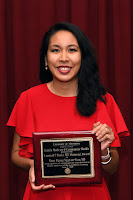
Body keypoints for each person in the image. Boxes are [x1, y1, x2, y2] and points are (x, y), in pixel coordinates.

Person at [7, 22, 129, 200]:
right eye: (55, 50)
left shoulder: (104, 100)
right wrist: (34, 166)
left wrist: (104, 152)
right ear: (45, 59)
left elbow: (112, 168)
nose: (64, 58)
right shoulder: (28, 99)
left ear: (82, 57)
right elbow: (15, 155)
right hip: (43, 194)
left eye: (72, 50)